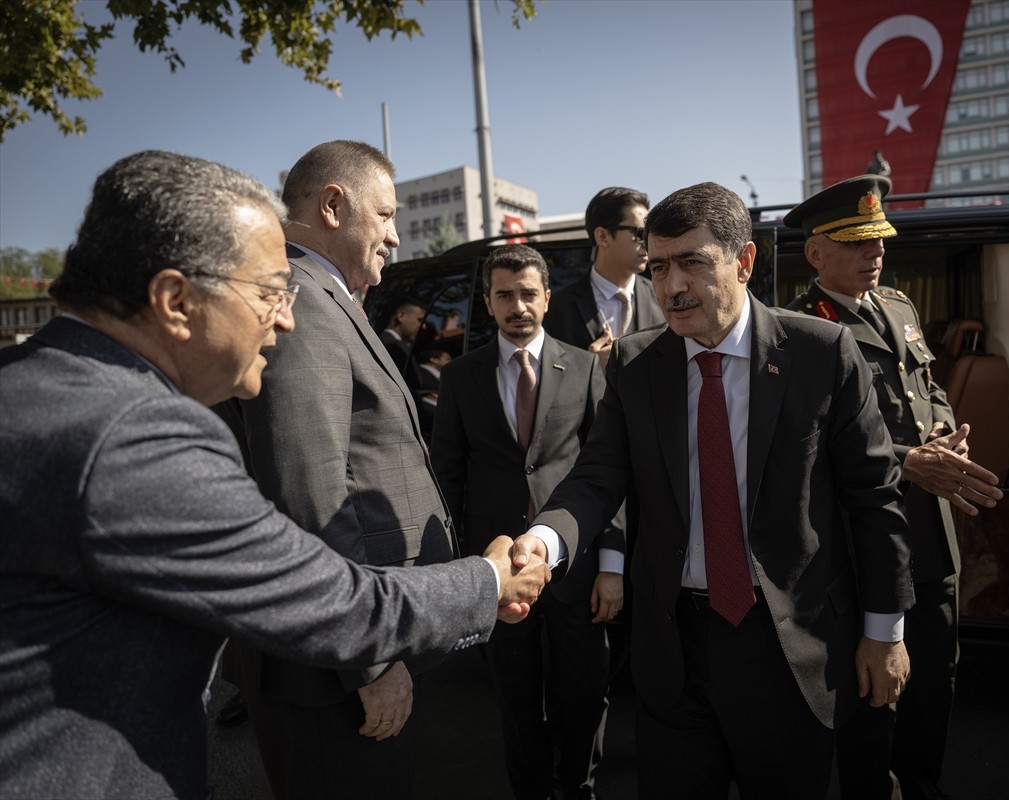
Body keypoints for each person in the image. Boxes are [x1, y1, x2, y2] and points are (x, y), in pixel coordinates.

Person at [0, 150, 549, 800]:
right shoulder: (132, 435)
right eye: (268, 293)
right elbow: (337, 606)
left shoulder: (36, 386)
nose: (286, 318)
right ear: (176, 300)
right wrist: (491, 580)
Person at [511, 181, 917, 798]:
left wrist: (884, 632)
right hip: (674, 649)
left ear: (744, 261)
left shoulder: (820, 352)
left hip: (788, 644)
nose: (672, 287)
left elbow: (874, 497)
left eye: (694, 263)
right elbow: (597, 478)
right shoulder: (633, 365)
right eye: (659, 267)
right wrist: (544, 541)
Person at [211, 140, 453, 800]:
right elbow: (308, 493)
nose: (396, 235)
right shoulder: (303, 302)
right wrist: (370, 660)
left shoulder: (321, 296)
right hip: (333, 673)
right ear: (334, 204)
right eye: (386, 214)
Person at [784, 175, 1004, 800]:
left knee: (936, 681)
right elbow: (807, 442)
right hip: (860, 546)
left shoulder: (900, 308)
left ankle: (923, 786)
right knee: (872, 692)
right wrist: (910, 461)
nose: (874, 254)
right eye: (857, 243)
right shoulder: (800, 328)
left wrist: (944, 434)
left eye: (878, 240)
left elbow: (925, 392)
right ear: (817, 253)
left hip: (931, 534)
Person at [432, 244, 622, 800]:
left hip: (577, 570)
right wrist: (462, 573)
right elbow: (447, 476)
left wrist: (611, 564)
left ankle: (579, 788)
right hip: (496, 574)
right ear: (488, 303)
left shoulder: (584, 366)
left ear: (546, 297)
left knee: (586, 694)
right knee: (516, 700)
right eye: (505, 295)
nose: (518, 306)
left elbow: (609, 471)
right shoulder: (462, 377)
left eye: (529, 294)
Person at [543, 186, 665, 367]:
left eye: (650, 234)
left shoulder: (662, 296)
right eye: (640, 233)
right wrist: (590, 369)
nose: (647, 243)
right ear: (602, 236)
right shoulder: (557, 308)